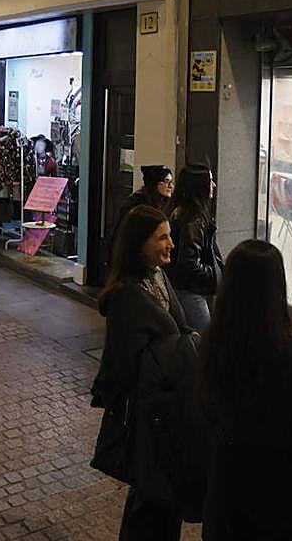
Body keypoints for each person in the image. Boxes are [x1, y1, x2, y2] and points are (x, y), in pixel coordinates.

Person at [197, 239, 292, 539]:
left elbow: (205, 404)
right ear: (277, 288)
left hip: (229, 477)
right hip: (286, 481)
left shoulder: (212, 344)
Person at [91, 205, 199, 541]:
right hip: (148, 418)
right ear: (140, 244)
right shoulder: (127, 296)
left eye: (169, 236)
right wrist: (182, 348)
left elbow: (179, 328)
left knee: (161, 496)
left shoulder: (158, 276)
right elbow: (128, 366)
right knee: (153, 495)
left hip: (167, 412)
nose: (171, 244)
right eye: (162, 237)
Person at [166, 164, 221, 331]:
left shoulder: (180, 212)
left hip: (179, 288)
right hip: (189, 293)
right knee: (203, 343)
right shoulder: (194, 220)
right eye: (210, 180)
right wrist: (215, 273)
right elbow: (189, 263)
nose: (213, 185)